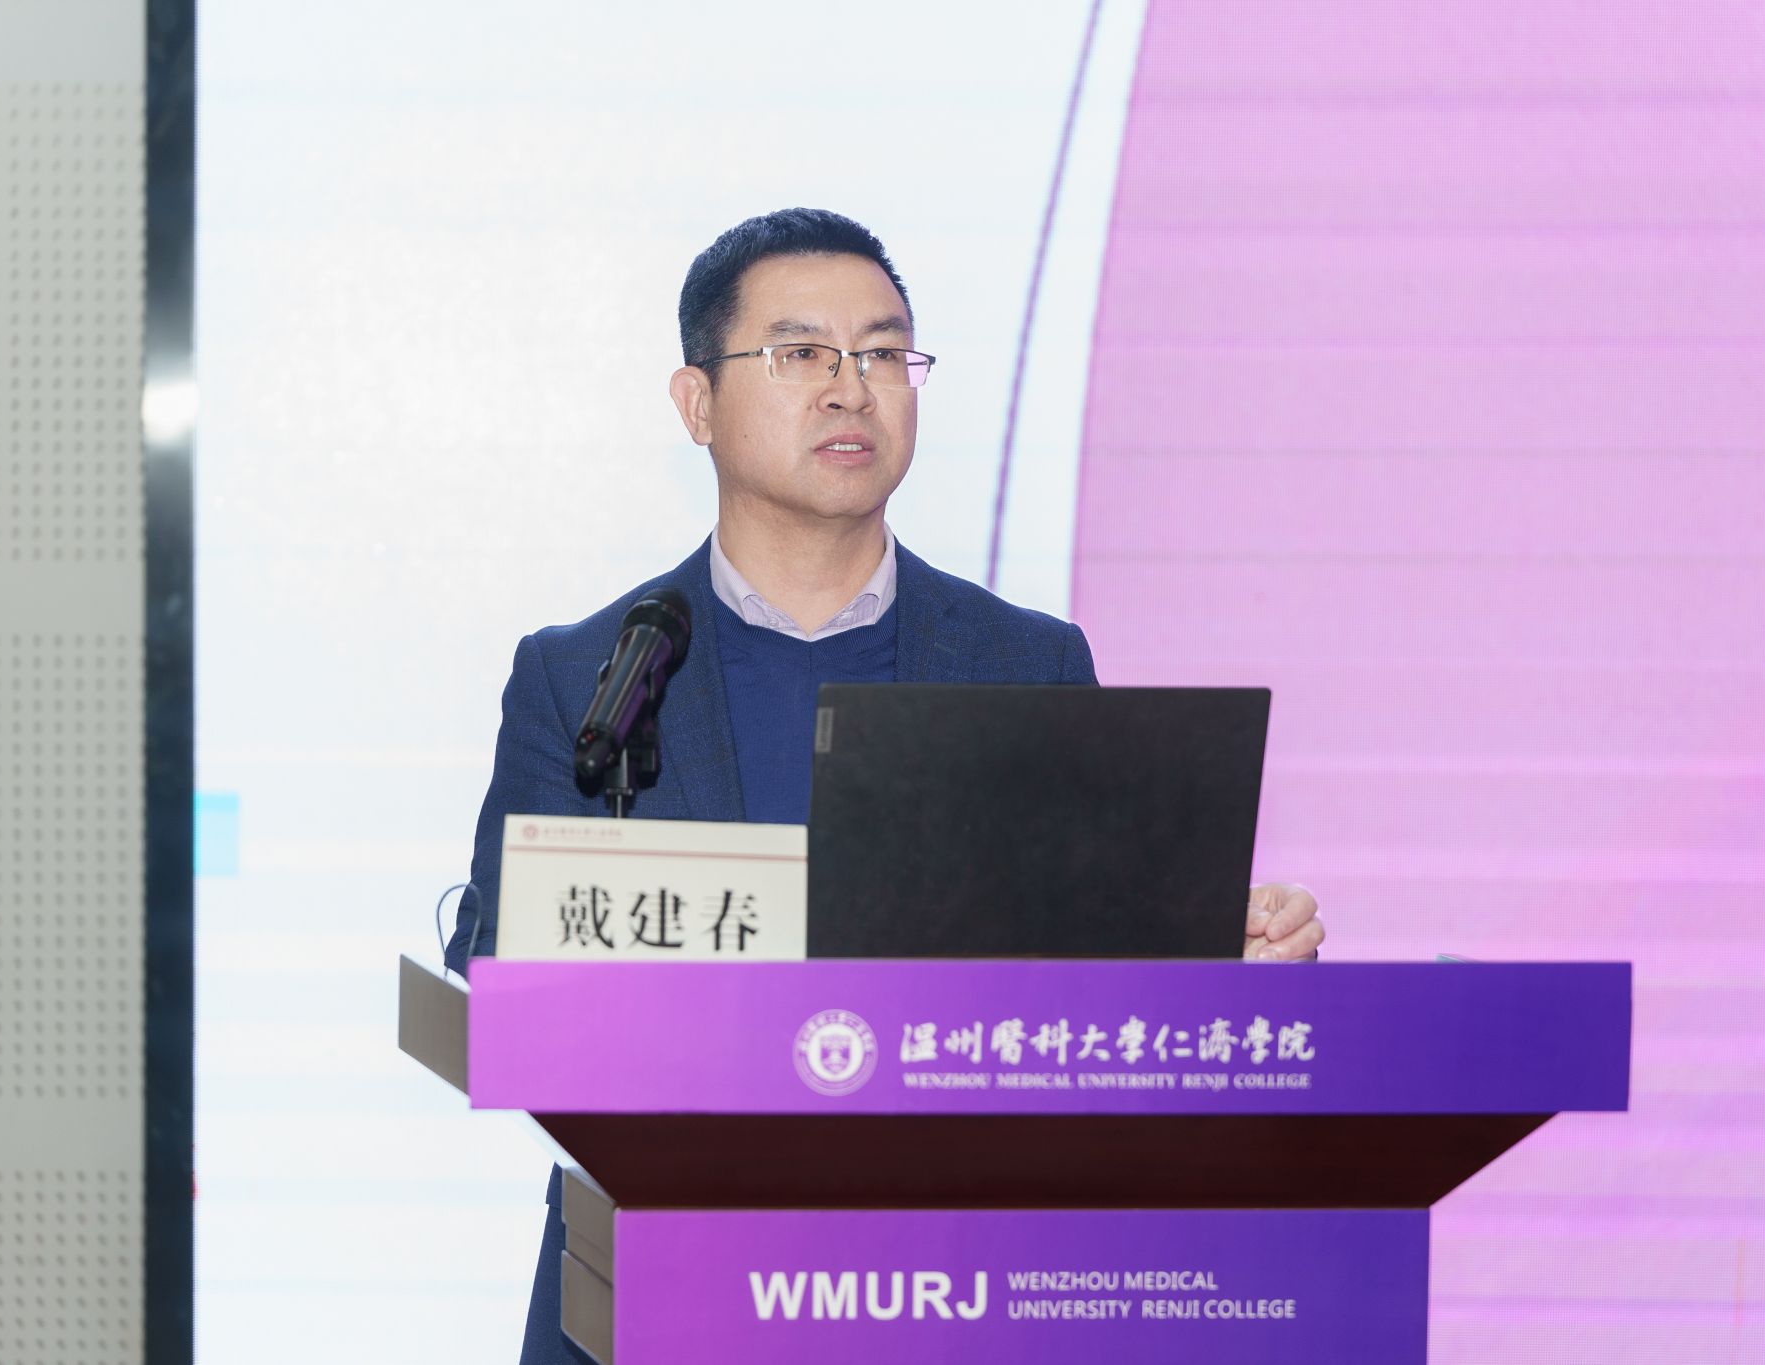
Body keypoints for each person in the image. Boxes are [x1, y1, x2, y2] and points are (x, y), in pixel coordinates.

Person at [446, 207, 1326, 1365]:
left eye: (881, 353)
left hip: (953, 1283)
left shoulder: (1025, 662)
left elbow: (1093, 978)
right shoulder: (590, 673)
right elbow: (492, 970)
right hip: (656, 1281)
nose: (849, 388)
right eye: (800, 353)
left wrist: (1209, 956)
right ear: (697, 403)